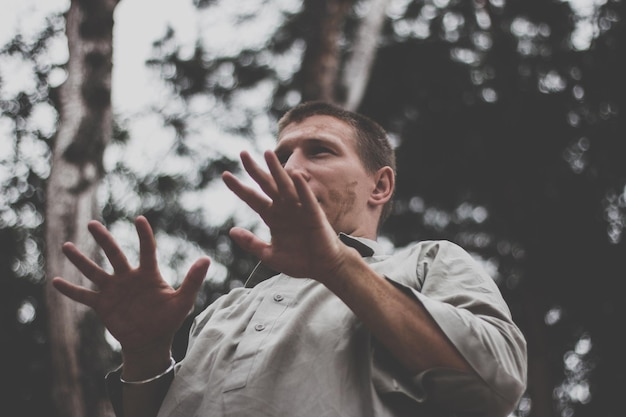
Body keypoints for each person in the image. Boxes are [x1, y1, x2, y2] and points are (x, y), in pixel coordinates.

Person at [52, 101, 527, 417]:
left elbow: (496, 381)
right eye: (281, 158)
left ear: (379, 186)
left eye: (319, 151)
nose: (291, 168)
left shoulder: (427, 263)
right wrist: (146, 353)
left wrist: (338, 266)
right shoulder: (223, 312)